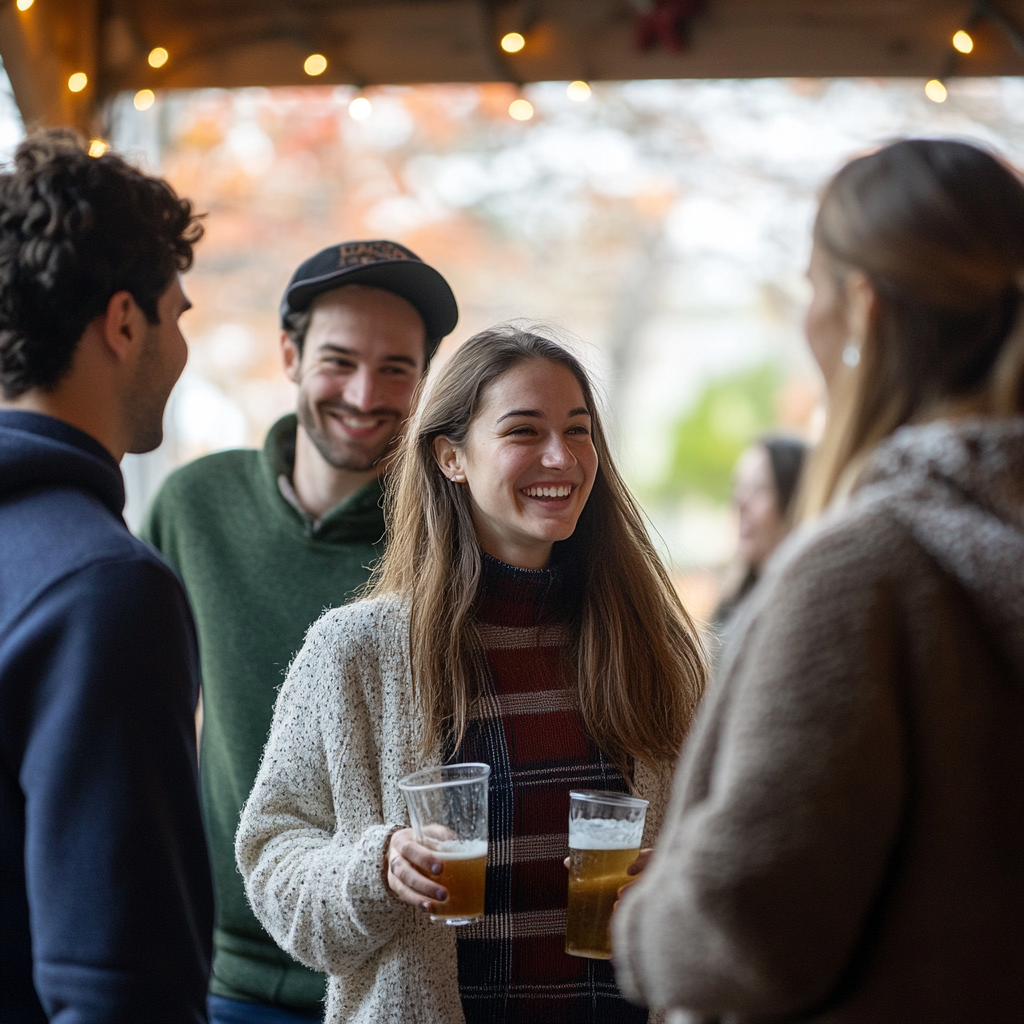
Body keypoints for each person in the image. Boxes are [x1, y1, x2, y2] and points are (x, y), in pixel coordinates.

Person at [612, 138, 1024, 1022]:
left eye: (811, 286)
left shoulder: (869, 570)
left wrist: (644, 926)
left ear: (864, 307)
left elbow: (743, 933)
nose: (806, 316)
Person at [235, 325, 708, 1024]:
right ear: (450, 457)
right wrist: (379, 866)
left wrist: (680, 880)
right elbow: (272, 856)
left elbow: (735, 841)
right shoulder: (356, 651)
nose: (562, 457)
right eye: (524, 431)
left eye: (578, 432)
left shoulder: (661, 649)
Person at [142, 240, 458, 1023]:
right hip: (220, 968)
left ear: (427, 380)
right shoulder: (193, 507)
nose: (364, 392)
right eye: (339, 359)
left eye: (397, 368)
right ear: (289, 354)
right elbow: (146, 733)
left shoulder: (451, 544)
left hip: (392, 973)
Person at [0, 130, 213, 1022]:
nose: (182, 349)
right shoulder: (102, 589)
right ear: (126, 322)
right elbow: (120, 985)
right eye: (180, 316)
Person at [711, 436, 808, 638]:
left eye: (758, 488)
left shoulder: (801, 615)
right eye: (739, 487)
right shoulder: (732, 605)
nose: (739, 502)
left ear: (794, 502)